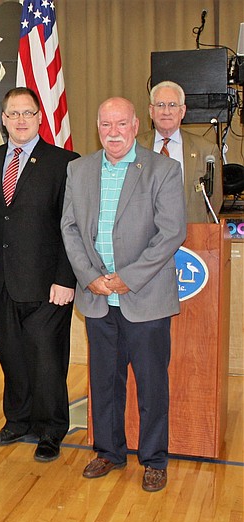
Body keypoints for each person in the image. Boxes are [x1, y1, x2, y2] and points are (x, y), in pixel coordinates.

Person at [61, 97, 186, 492]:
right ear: (97, 127)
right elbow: (69, 229)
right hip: (97, 298)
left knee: (152, 385)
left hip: (145, 298)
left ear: (135, 126)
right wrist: (89, 276)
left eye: (120, 125)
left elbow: (172, 233)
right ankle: (109, 452)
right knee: (104, 382)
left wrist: (127, 278)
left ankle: (153, 459)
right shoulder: (78, 170)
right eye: (105, 125)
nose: (113, 132)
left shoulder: (163, 170)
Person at [0, 87, 79, 462]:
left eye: (27, 113)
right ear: (3, 119)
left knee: (47, 359)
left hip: (48, 284)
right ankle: (17, 421)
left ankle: (50, 430)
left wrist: (66, 278)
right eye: (13, 113)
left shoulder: (66, 162)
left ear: (39, 118)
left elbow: (73, 226)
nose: (20, 120)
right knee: (11, 354)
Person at [137, 80, 223, 223]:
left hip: (192, 236)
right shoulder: (135, 147)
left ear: (182, 111)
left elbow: (214, 201)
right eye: (160, 105)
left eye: (172, 105)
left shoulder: (206, 150)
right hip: (145, 237)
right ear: (151, 111)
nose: (166, 111)